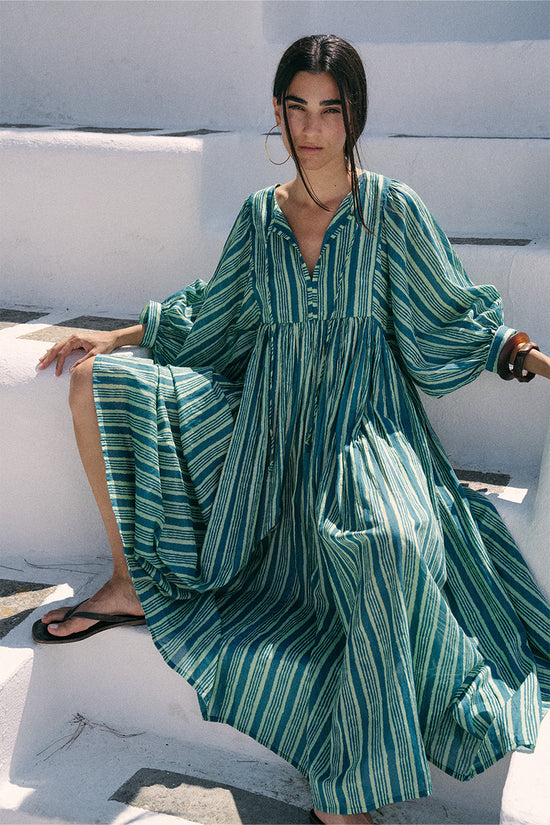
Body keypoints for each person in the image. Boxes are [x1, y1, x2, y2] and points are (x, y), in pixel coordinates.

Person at [33, 34, 549, 825]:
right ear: (277, 114)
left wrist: (528, 358)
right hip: (267, 425)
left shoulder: (389, 210)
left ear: (353, 118)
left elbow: (452, 317)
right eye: (296, 108)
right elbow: (211, 313)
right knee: (94, 383)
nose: (310, 128)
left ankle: (346, 787)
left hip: (367, 425)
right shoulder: (258, 217)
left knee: (390, 541)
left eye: (329, 110)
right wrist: (116, 338)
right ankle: (130, 581)